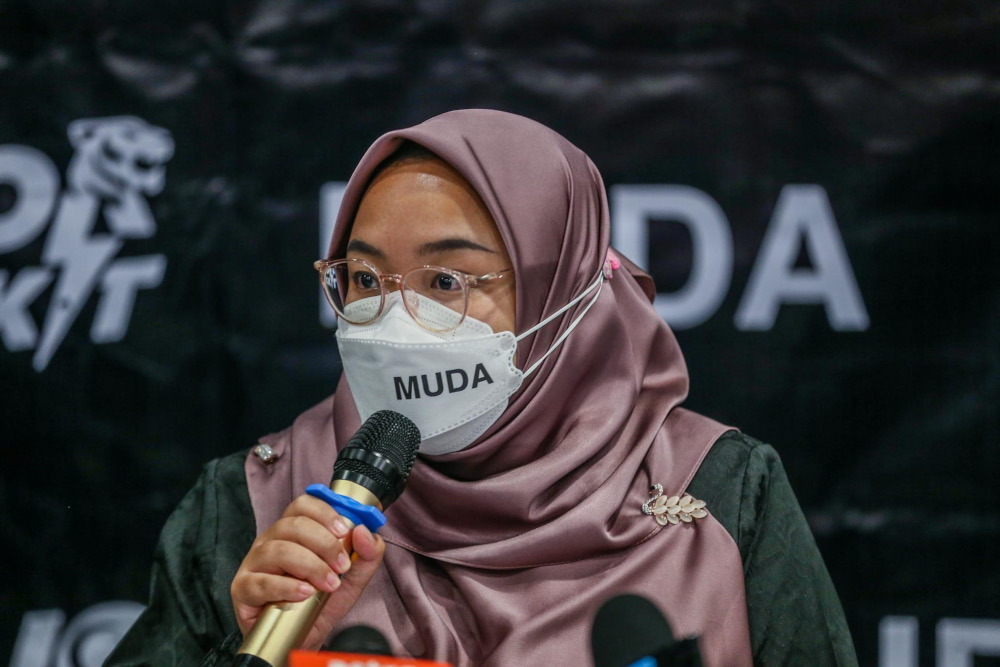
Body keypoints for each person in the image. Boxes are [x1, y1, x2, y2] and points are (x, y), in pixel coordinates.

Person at [107, 109, 857, 666]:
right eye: (365, 279)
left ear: (559, 289)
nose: (397, 319)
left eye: (447, 281)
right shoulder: (260, 509)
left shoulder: (725, 491)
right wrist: (255, 650)